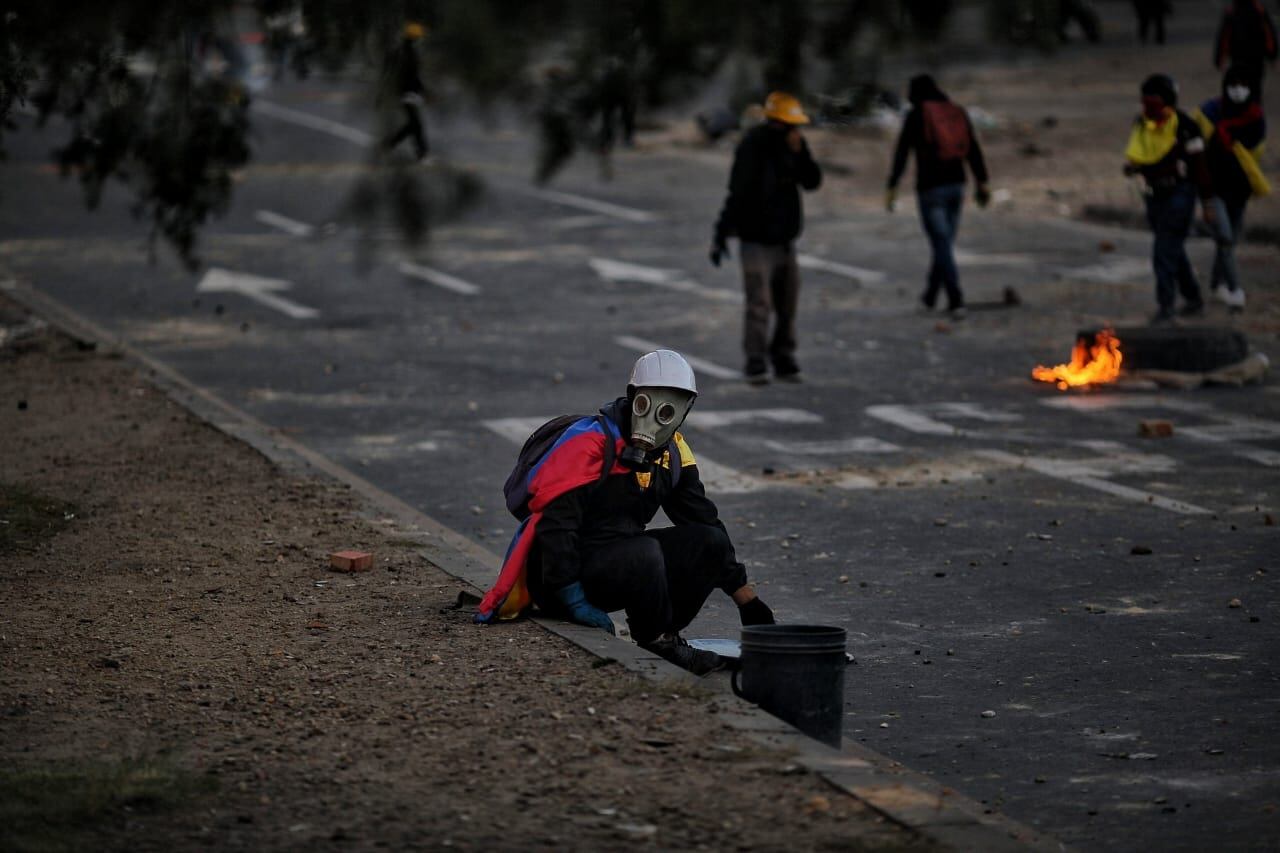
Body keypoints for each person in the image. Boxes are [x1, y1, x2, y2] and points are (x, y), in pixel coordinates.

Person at [474, 350, 776, 676]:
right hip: (557, 576)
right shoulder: (589, 444)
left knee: (709, 541)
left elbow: (704, 522)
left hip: (619, 566)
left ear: (685, 411)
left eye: (670, 410)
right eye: (647, 404)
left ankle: (662, 635)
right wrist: (571, 598)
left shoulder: (673, 453)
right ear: (632, 398)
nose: (656, 418)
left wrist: (746, 600)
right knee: (644, 552)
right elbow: (555, 525)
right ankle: (659, 642)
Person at [711, 92, 822, 385]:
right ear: (776, 122)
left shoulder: (795, 144)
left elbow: (813, 181)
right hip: (756, 241)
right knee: (759, 303)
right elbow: (737, 192)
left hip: (785, 240)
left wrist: (798, 155)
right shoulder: (752, 145)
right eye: (790, 125)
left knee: (788, 304)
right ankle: (756, 361)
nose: (794, 130)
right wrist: (721, 233)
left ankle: (784, 358)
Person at [885, 74, 991, 320]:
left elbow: (902, 152)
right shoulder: (957, 112)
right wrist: (982, 182)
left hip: (930, 190)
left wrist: (892, 186)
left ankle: (956, 299)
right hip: (957, 185)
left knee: (941, 244)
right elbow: (972, 149)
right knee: (943, 244)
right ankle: (931, 296)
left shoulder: (917, 115)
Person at [1123, 73, 1216, 323]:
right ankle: (1193, 297)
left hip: (1180, 194)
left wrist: (1207, 203)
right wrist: (1135, 168)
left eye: (1154, 102)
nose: (1149, 109)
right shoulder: (1142, 124)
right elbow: (1139, 155)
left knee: (1163, 251)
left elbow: (1200, 168)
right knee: (1173, 249)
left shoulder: (1186, 127)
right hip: (1155, 196)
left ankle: (1166, 308)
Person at [1194, 66, 1270, 311]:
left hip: (1239, 189)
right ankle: (1235, 289)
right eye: (1233, 85)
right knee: (1225, 237)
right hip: (1213, 187)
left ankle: (1216, 284)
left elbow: (1255, 153)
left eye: (1243, 85)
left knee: (1228, 240)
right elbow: (1196, 147)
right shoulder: (1210, 113)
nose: (1238, 90)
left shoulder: (1256, 119)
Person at [383, 22, 429, 161]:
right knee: (415, 123)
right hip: (407, 93)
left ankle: (391, 144)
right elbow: (412, 76)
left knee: (413, 123)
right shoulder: (408, 54)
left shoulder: (405, 51)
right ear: (414, 39)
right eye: (419, 38)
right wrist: (423, 91)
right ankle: (421, 152)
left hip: (407, 92)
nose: (421, 41)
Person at [1214, 1, 1278, 93]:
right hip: (1253, 60)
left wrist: (1219, 59)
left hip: (1241, 59)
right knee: (1253, 90)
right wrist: (1272, 55)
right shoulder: (1257, 9)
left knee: (1242, 90)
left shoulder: (1234, 10)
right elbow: (1269, 34)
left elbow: (1224, 36)